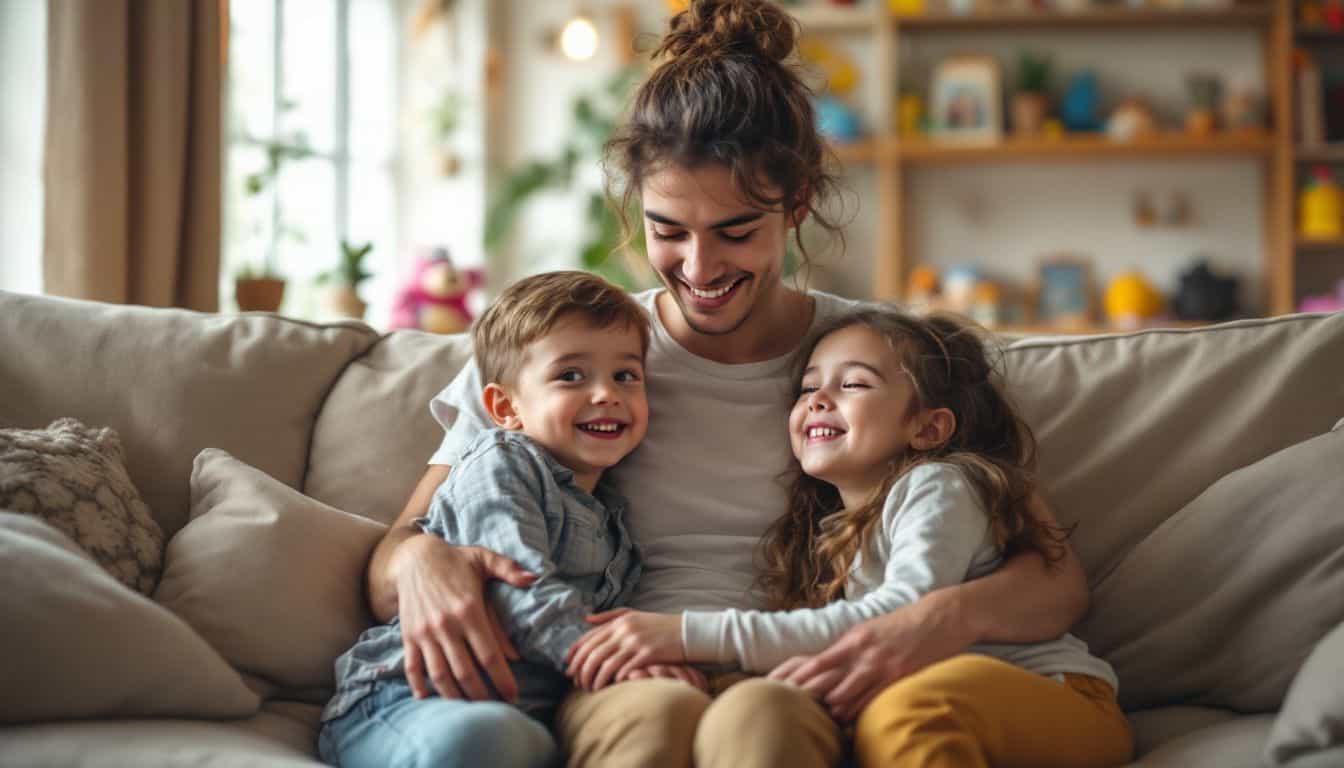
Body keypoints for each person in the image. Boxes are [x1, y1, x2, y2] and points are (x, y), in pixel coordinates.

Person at [363, 1, 1093, 766]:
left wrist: (934, 618)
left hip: (795, 673)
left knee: (761, 728)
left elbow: (1055, 579)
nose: (700, 270)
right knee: (654, 725)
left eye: (737, 231)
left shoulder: (873, 361)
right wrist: (421, 563)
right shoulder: (570, 361)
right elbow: (396, 555)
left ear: (797, 203)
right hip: (626, 666)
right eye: (668, 231)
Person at [566, 308, 1135, 767]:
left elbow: (899, 615)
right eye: (809, 387)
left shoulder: (939, 485)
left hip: (1057, 696)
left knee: (907, 714)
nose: (817, 399)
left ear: (928, 426)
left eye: (854, 385)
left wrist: (688, 635)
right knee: (884, 716)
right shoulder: (833, 530)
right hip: (950, 702)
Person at [320, 271, 708, 768]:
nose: (606, 394)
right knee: (490, 741)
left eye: (625, 376)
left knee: (524, 744)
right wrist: (625, 662)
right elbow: (519, 587)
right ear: (506, 406)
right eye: (571, 376)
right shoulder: (501, 462)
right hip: (402, 698)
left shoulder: (614, 523)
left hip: (514, 715)